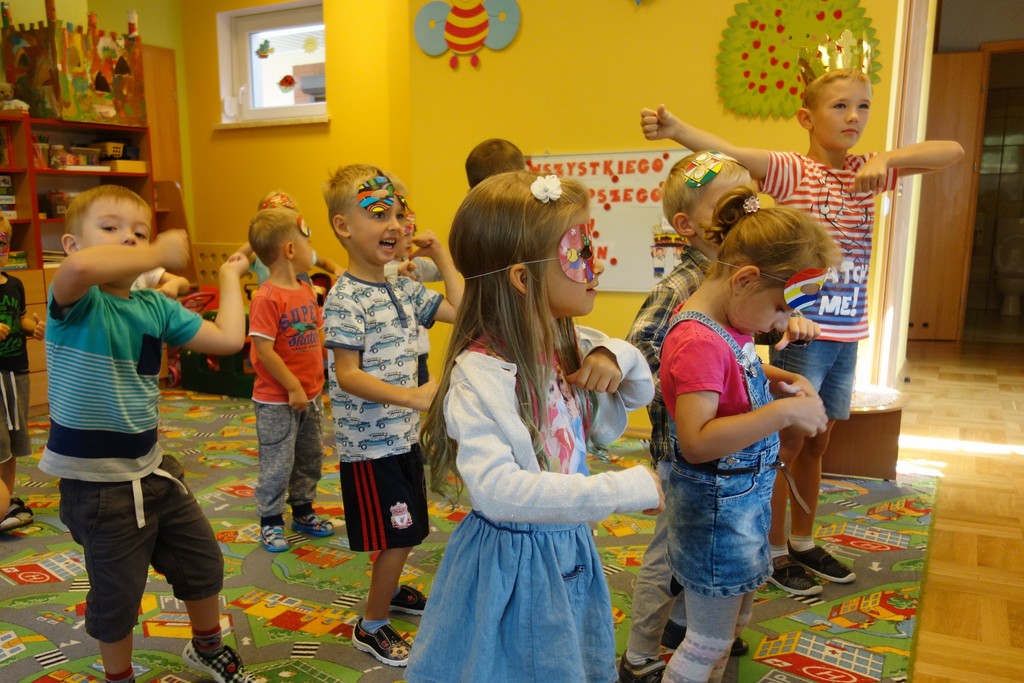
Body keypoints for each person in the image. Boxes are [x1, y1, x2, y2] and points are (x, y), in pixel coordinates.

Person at [641, 68, 964, 595]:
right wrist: (677, 130)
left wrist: (888, 160)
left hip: (844, 332)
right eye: (840, 106)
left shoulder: (865, 170)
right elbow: (727, 154)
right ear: (806, 118)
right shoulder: (792, 171)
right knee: (781, 442)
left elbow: (951, 150)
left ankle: (802, 540)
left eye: (863, 106)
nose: (854, 117)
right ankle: (770, 548)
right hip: (791, 328)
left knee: (816, 440)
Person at [405, 171, 665, 683]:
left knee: (564, 656)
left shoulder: (571, 344)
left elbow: (630, 402)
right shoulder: (479, 378)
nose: (595, 264)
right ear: (523, 279)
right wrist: (621, 489)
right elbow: (499, 491)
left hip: (567, 547)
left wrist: (620, 355)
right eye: (578, 250)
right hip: (514, 563)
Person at [38, 185, 255, 683]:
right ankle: (120, 677)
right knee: (118, 595)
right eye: (110, 229)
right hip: (98, 488)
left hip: (153, 470)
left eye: (139, 232)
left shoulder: (154, 307)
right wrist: (157, 251)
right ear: (72, 244)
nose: (130, 240)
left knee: (203, 562)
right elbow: (79, 270)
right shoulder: (76, 302)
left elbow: (227, 338)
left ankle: (206, 648)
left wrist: (228, 276)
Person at [620, 152, 820, 683]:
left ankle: (691, 633)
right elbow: (686, 414)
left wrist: (772, 377)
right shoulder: (694, 317)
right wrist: (779, 411)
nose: (782, 321)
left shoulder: (729, 305)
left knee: (718, 613)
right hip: (705, 482)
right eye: (781, 309)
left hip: (735, 489)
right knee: (677, 581)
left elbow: (735, 360)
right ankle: (644, 653)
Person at [321, 165, 463, 667]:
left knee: (408, 527)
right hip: (369, 446)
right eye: (380, 214)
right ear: (343, 226)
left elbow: (463, 310)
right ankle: (371, 624)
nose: (396, 225)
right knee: (397, 534)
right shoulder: (344, 299)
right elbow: (347, 376)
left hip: (402, 438)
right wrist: (413, 398)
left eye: (399, 214)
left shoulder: (401, 288)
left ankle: (392, 590)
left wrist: (440, 255)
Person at [246, 207, 332, 552]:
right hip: (277, 400)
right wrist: (293, 386)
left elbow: (319, 335)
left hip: (310, 394)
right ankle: (270, 520)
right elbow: (264, 351)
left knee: (310, 456)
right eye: (308, 243)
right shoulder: (266, 297)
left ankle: (303, 509)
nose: (313, 250)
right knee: (278, 461)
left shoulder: (306, 289)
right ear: (291, 250)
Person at [0, 218, 45, 533]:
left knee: (14, 438)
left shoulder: (14, 284)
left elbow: (22, 319)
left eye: (2, 242)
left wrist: (35, 327)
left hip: (17, 372)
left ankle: (7, 497)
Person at [232, 190, 345, 286]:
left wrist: (338, 269)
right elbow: (235, 262)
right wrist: (258, 238)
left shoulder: (299, 250)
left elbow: (324, 262)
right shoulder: (261, 254)